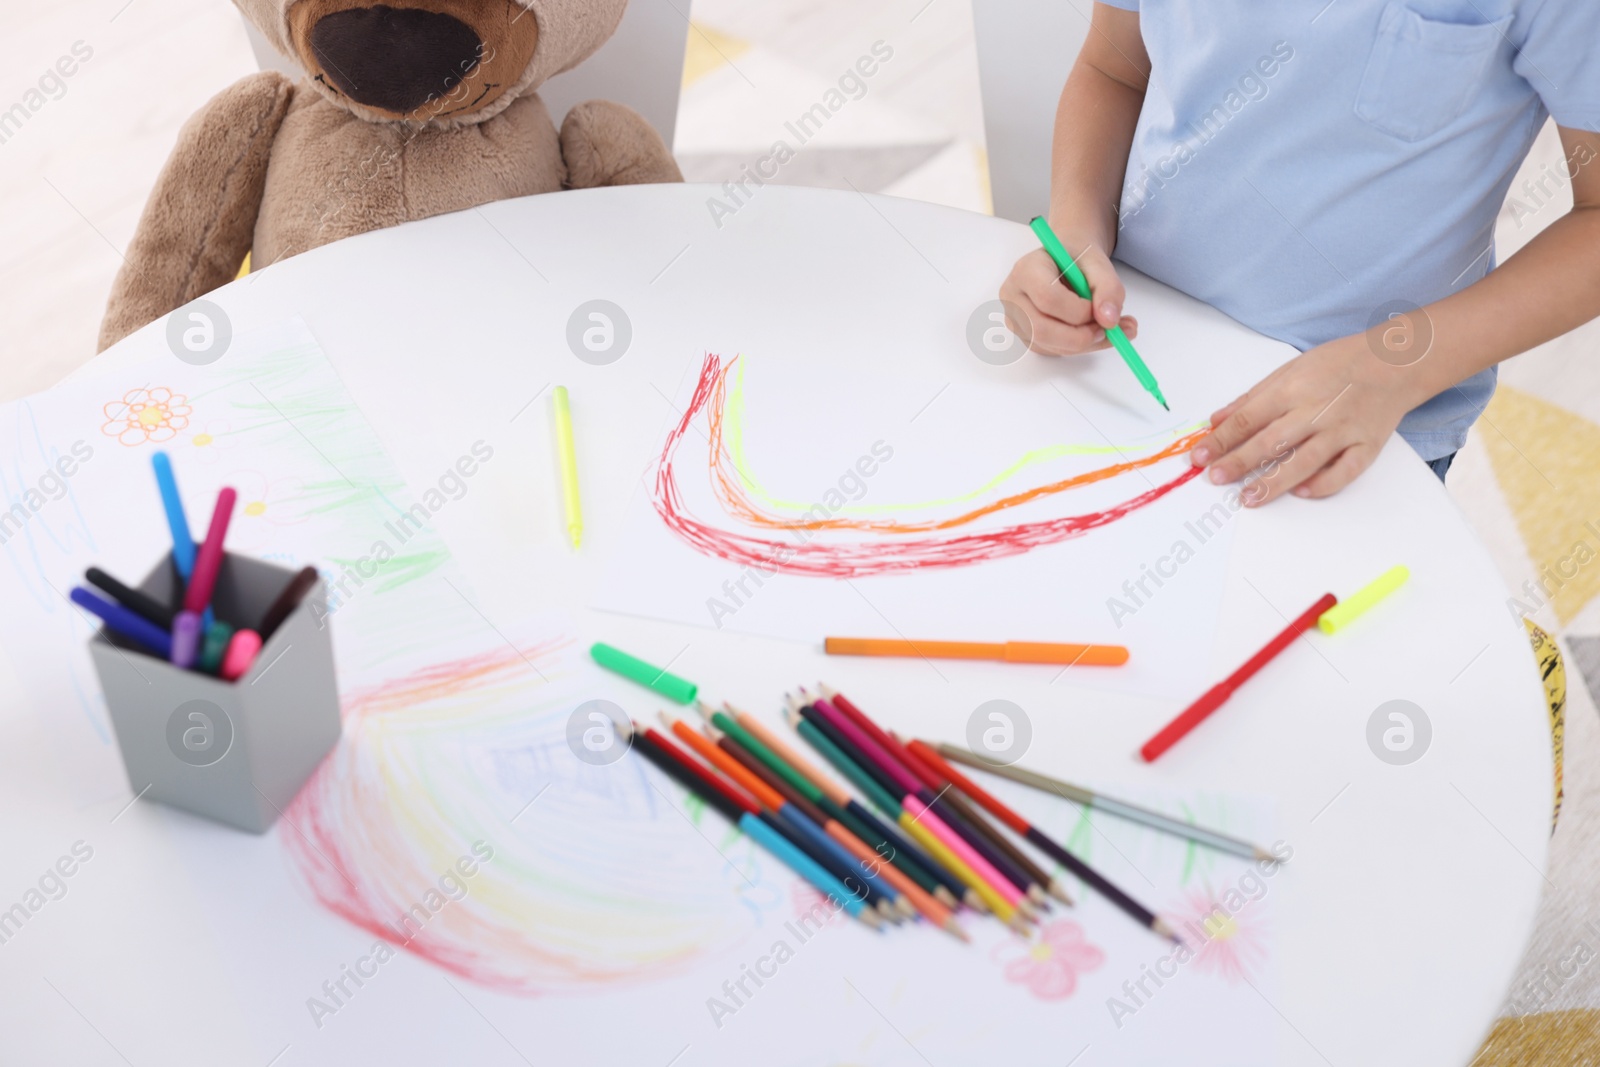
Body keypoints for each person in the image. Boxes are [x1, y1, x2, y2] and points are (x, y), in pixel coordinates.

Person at [999, 1, 1600, 501]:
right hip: (1130, 352)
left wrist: (1392, 369)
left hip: (1356, 423)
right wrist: (1077, 232)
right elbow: (1115, 68)